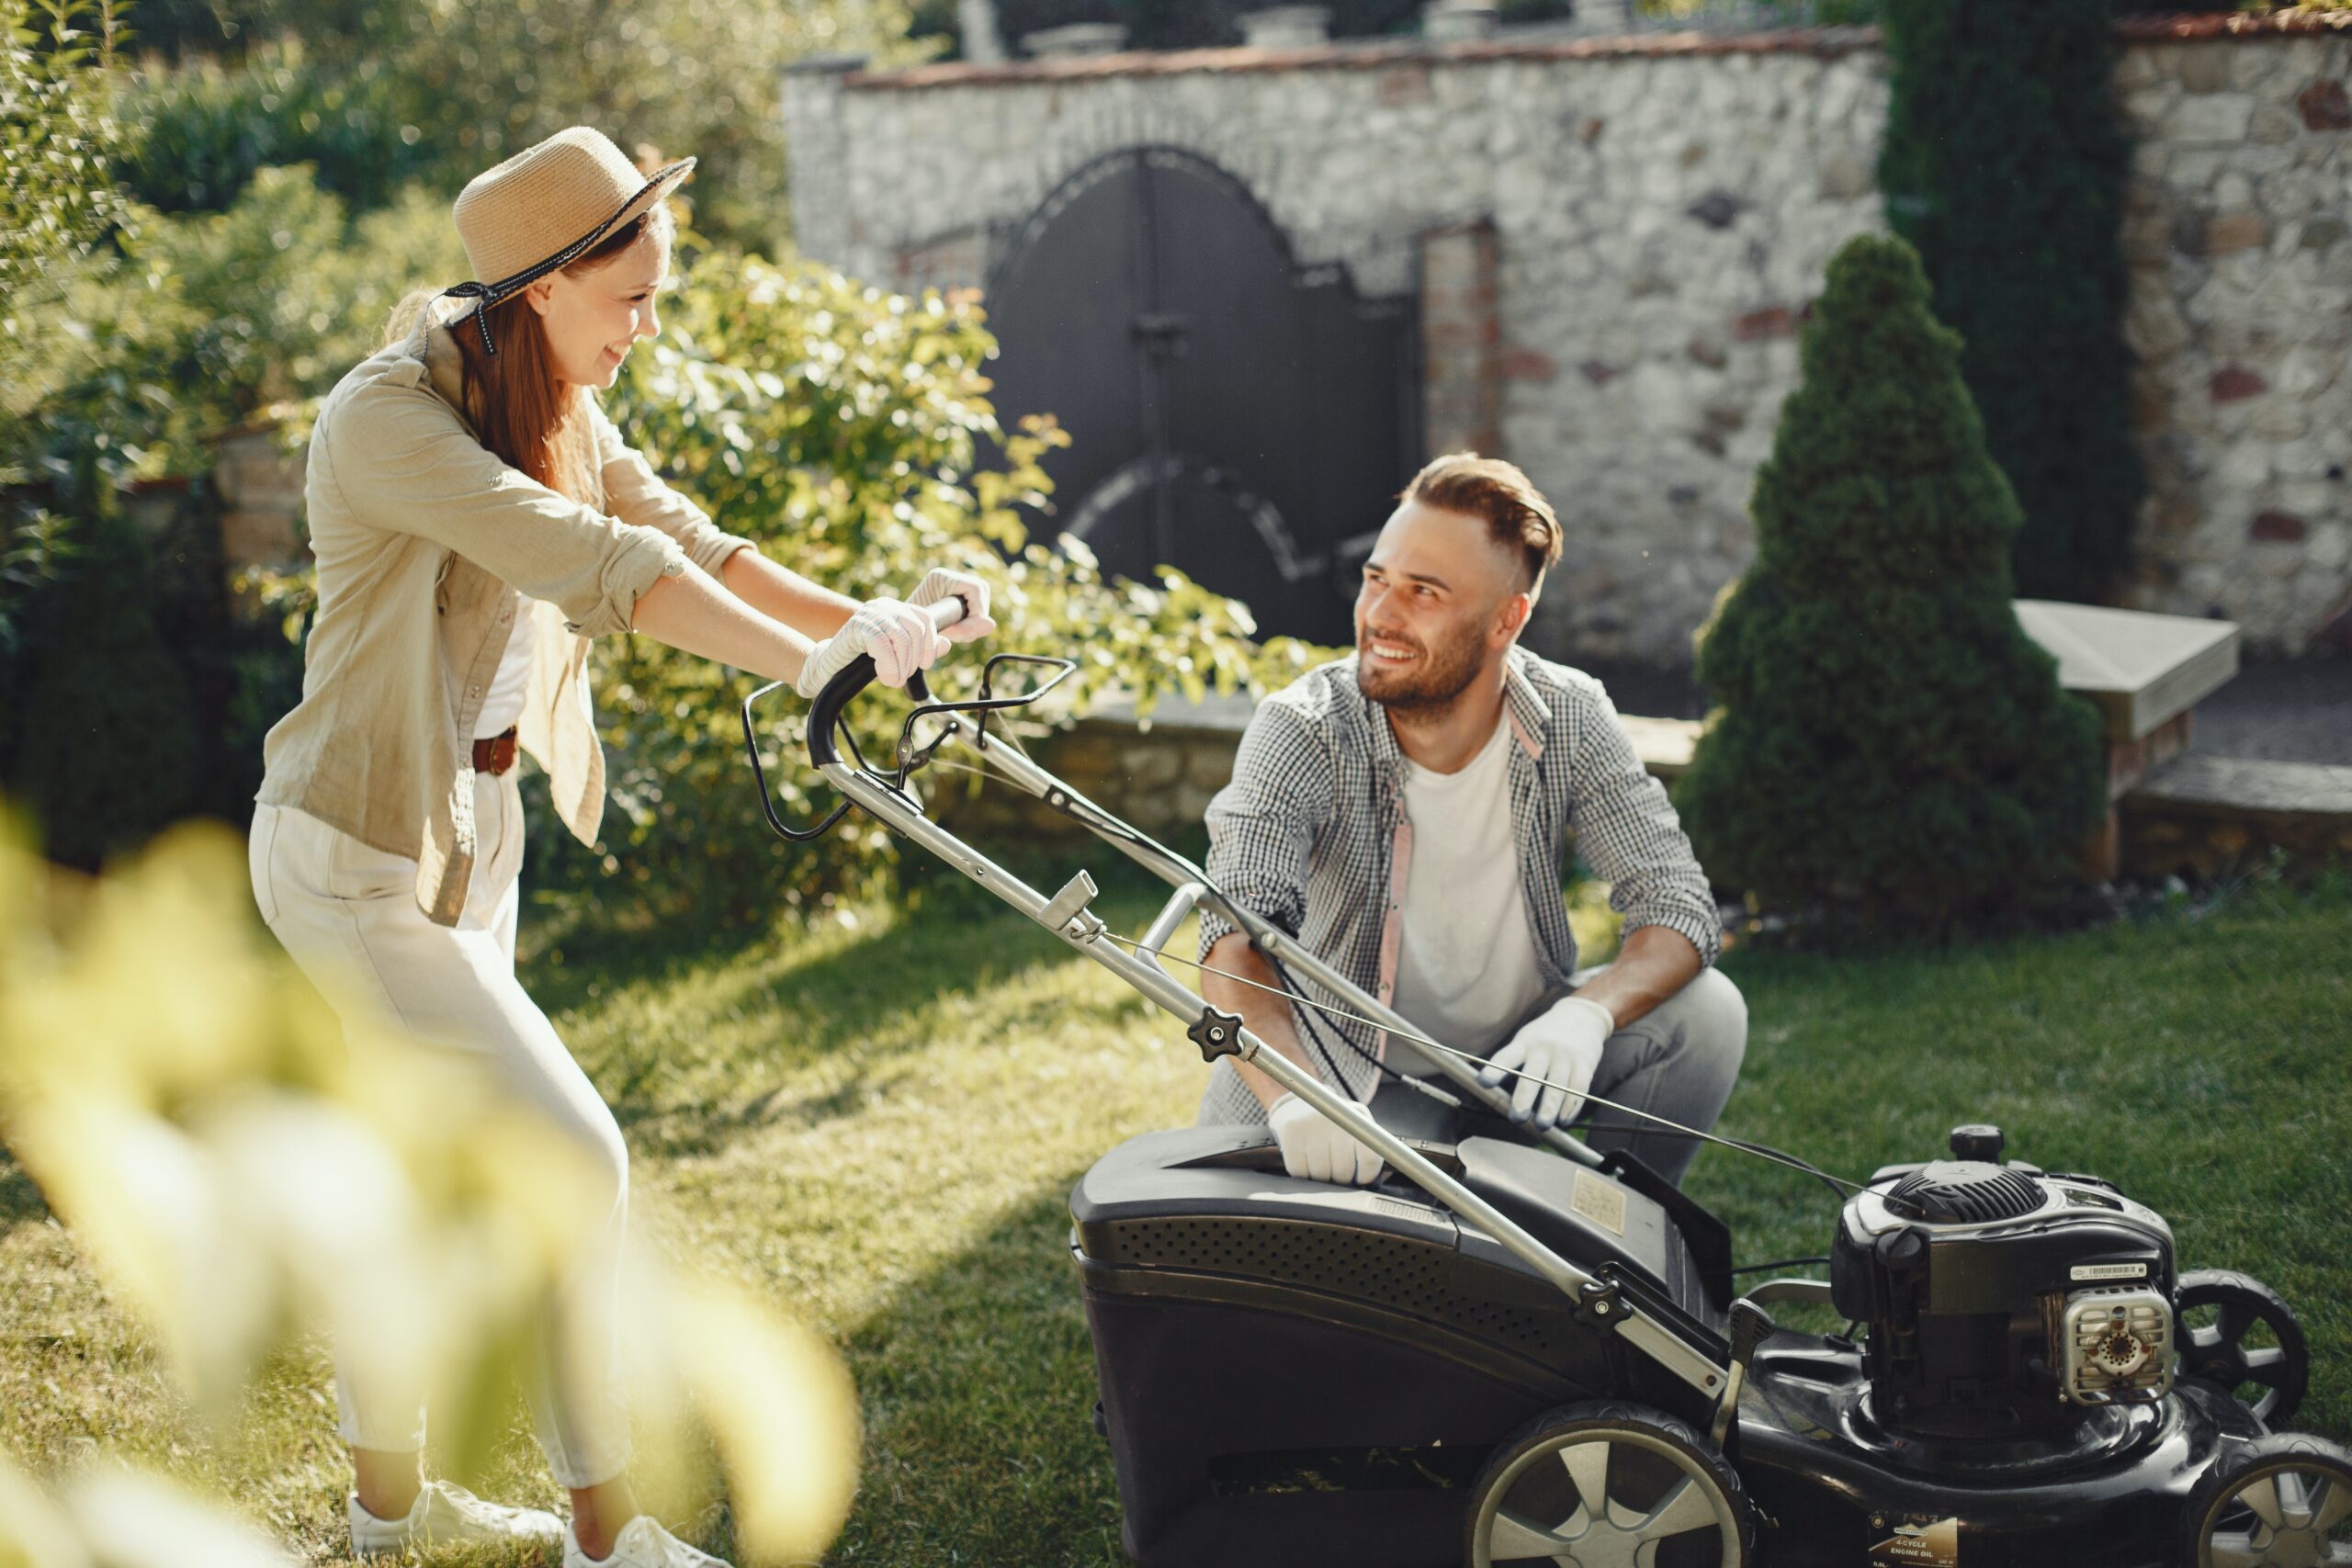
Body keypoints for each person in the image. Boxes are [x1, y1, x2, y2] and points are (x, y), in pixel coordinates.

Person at [246, 127, 990, 1565]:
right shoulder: (389, 420)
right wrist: (811, 666)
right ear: (539, 288)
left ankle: (386, 1515)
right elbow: (603, 571)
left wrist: (874, 625)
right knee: (572, 1162)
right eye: (630, 300)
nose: (648, 329)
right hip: (356, 859)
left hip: (478, 835)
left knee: (433, 1189)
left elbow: (692, 542)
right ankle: (608, 1534)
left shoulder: (555, 397)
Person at [1194, 453, 1746, 1188]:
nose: (1381, 615)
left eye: (1424, 592)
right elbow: (1232, 939)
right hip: (1341, 1072)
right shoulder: (1304, 728)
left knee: (1705, 1014)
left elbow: (1677, 903)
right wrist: (1299, 1099)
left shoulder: (1570, 713)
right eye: (1377, 579)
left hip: (1514, 1062)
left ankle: (1612, 1245)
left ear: (1505, 620)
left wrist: (1586, 1015)